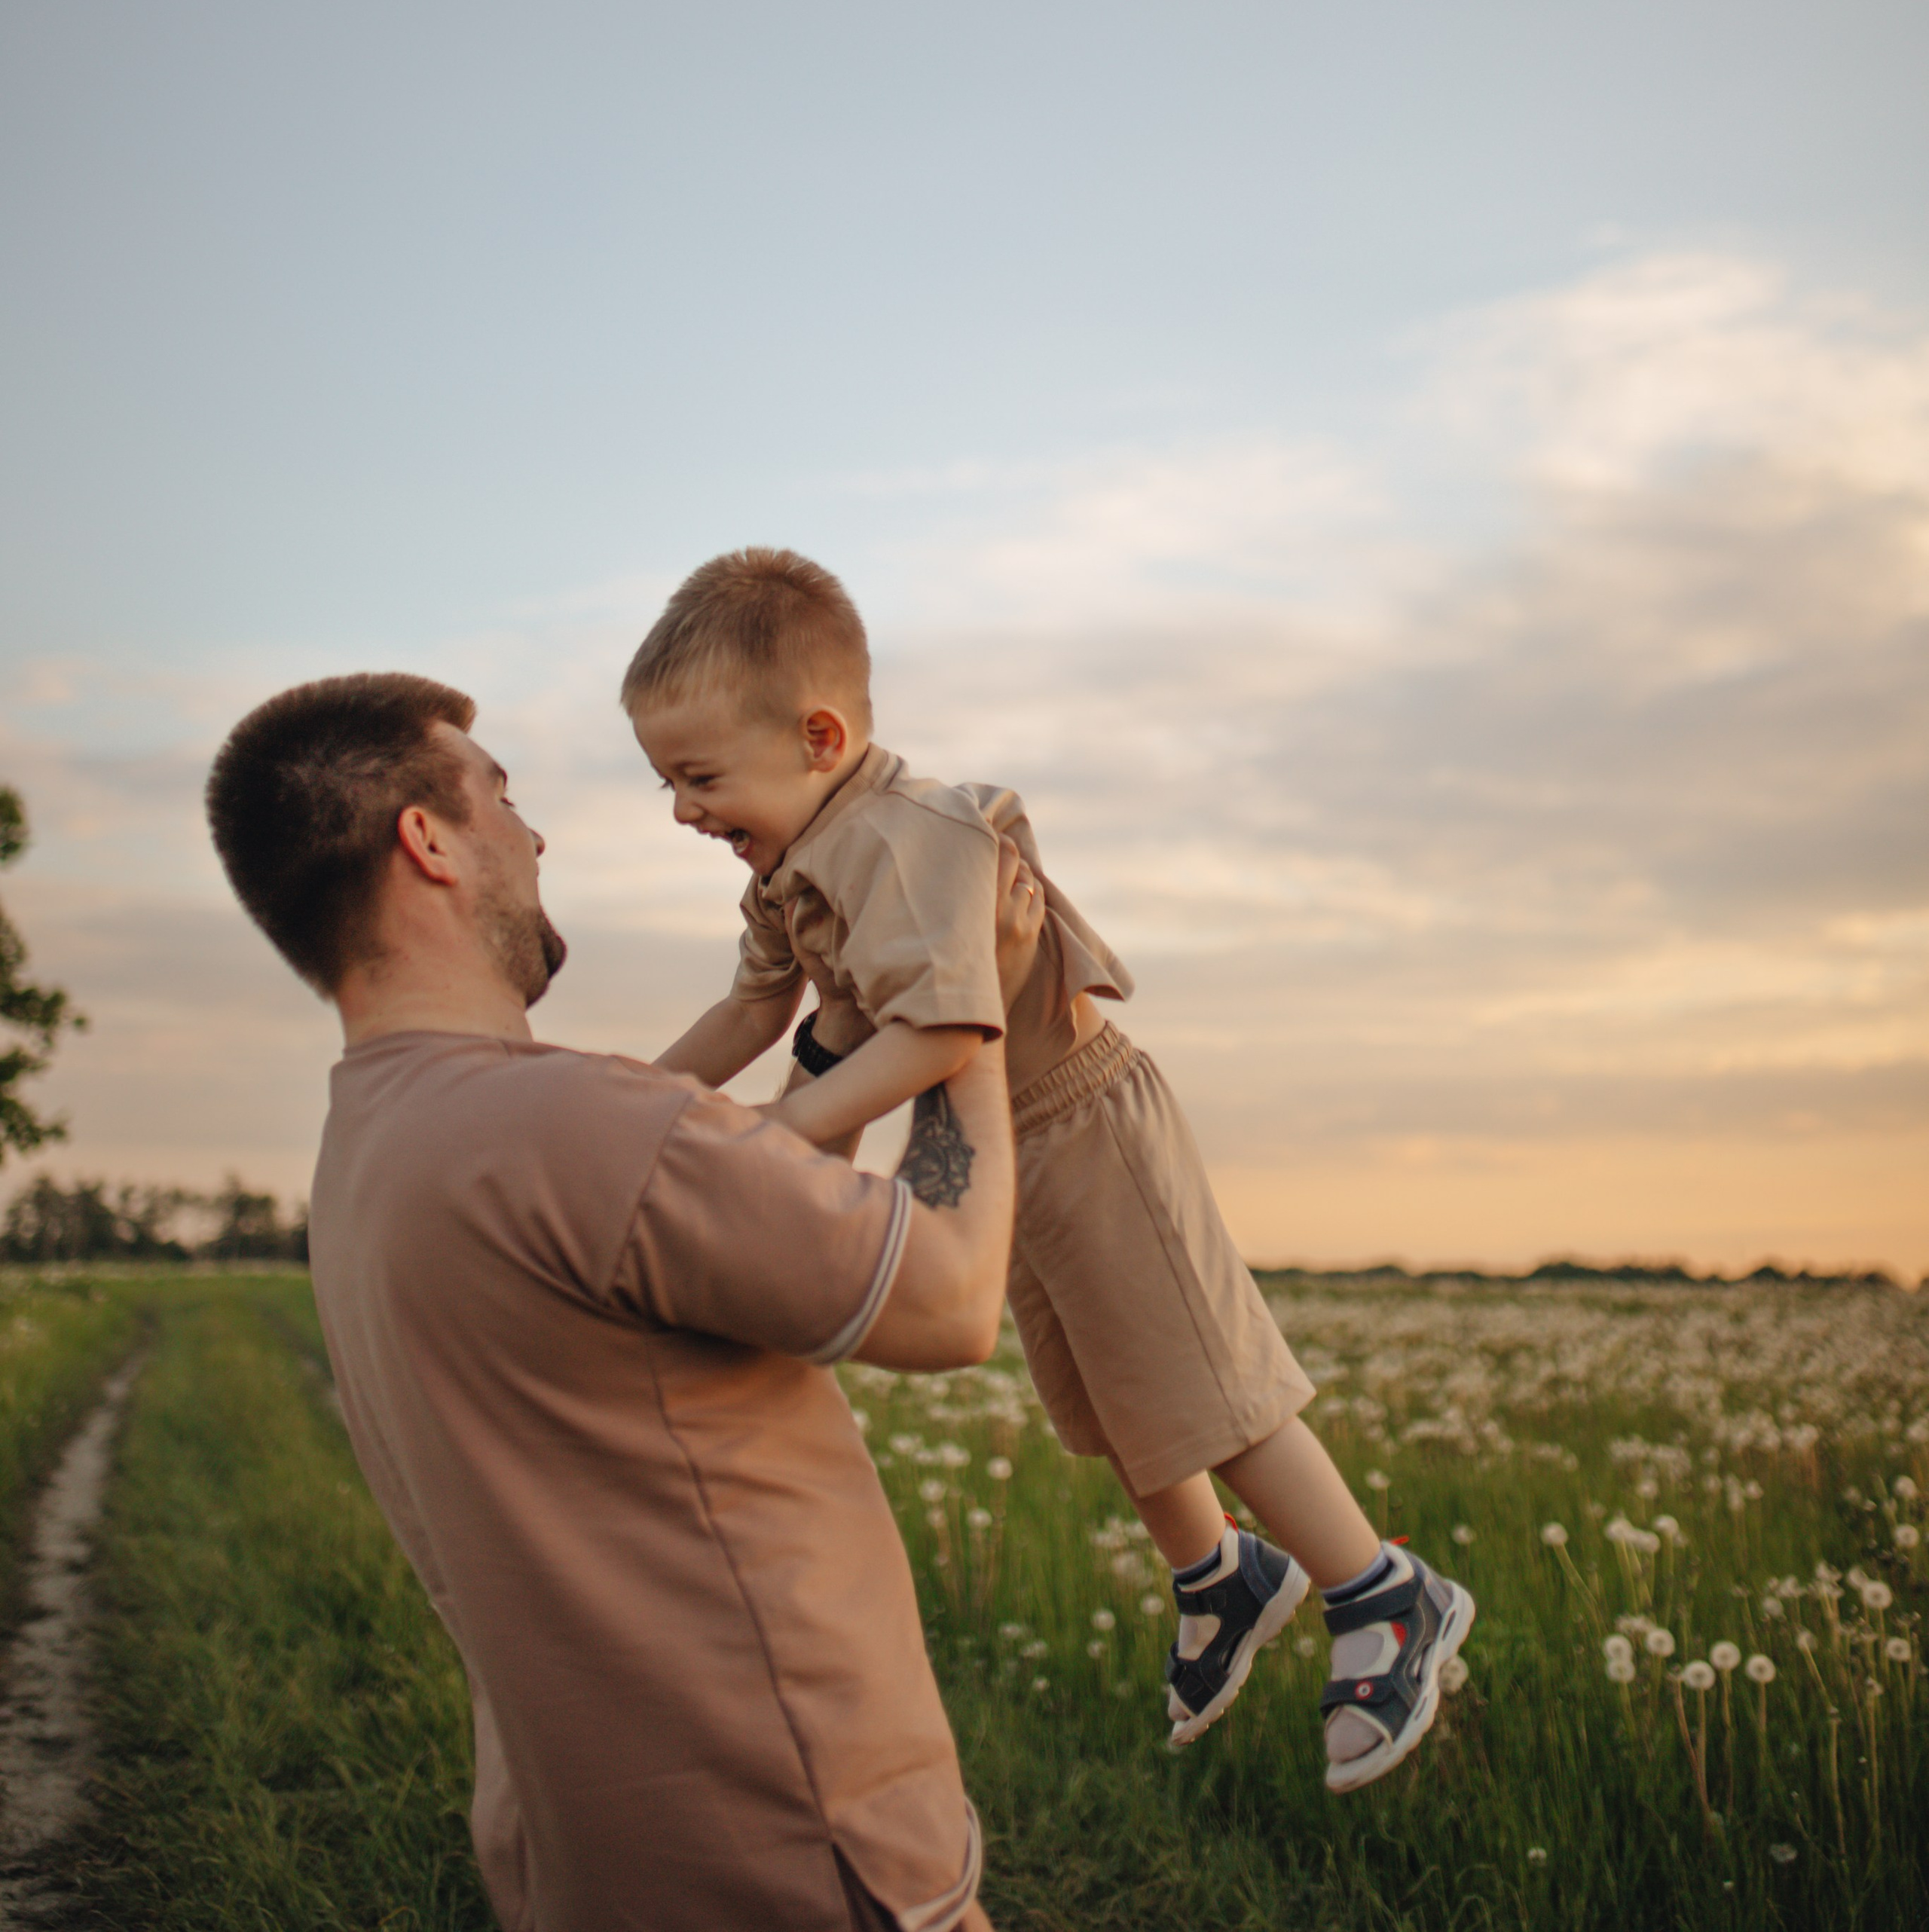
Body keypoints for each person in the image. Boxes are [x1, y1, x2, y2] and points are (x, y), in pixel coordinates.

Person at [204, 669, 1042, 1932]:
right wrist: (963, 1002)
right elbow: (954, 1300)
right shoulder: (573, 1121)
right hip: (803, 1852)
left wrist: (830, 1043)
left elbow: (736, 1244)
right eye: (498, 797)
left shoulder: (373, 1145)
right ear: (425, 843)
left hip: (588, 1864)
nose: (532, 835)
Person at [623, 551, 1475, 1791]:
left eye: (700, 779)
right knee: (1110, 1391)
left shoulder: (905, 840)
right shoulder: (794, 865)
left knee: (1205, 1387)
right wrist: (633, 1109)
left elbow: (943, 1035)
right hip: (1005, 1142)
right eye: (668, 785)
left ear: (818, 737)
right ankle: (1220, 1577)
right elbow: (755, 1011)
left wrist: (770, 1140)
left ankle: (1383, 1593)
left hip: (1085, 1118)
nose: (687, 813)